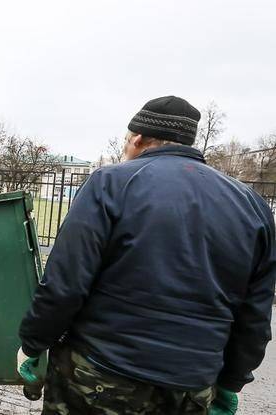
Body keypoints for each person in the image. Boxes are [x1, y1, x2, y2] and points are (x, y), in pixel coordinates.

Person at [16, 96, 276, 414]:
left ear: (137, 139)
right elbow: (255, 315)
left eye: (126, 142)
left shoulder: (109, 183)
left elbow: (64, 284)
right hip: (191, 385)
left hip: (101, 372)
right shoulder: (253, 206)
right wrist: (231, 381)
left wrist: (33, 343)